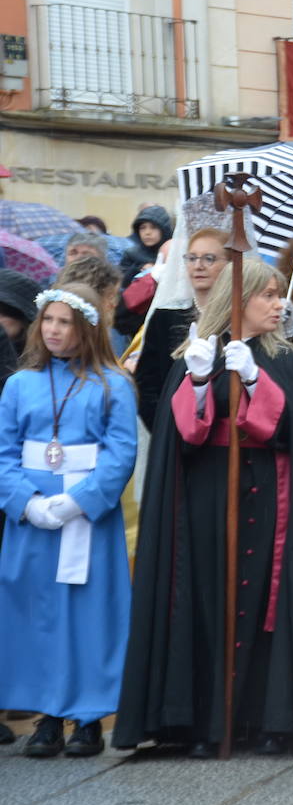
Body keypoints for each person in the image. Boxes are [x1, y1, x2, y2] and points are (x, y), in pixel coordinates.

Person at [115, 258, 293, 757]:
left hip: (267, 490)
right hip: (206, 491)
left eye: (280, 294)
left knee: (265, 601)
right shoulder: (194, 354)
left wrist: (257, 382)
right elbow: (186, 433)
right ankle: (204, 722)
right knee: (205, 596)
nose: (278, 304)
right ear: (236, 300)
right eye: (267, 295)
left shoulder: (288, 357)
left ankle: (266, 718)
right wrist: (198, 382)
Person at [0, 284, 137, 758]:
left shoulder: (112, 384)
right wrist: (25, 501)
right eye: (49, 320)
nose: (55, 330)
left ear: (87, 328)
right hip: (32, 521)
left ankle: (89, 716)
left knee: (86, 612)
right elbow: (4, 452)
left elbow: (121, 453)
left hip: (86, 520)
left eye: (66, 322)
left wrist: (81, 500)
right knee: (38, 613)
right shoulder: (20, 384)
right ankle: (46, 715)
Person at [133, 226, 228, 429]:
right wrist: (166, 428)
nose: (198, 266)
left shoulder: (237, 318)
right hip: (172, 430)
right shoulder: (165, 317)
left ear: (229, 264)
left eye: (209, 258)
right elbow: (147, 383)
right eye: (192, 258)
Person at [119, 205, 173, 284]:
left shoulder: (172, 252)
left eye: (153, 227)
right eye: (142, 228)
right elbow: (121, 285)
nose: (147, 232)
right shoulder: (131, 254)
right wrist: (138, 269)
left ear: (163, 230)